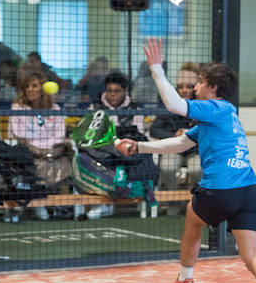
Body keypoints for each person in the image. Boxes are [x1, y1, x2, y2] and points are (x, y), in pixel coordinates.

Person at [115, 38, 256, 283]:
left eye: (199, 82)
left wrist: (156, 69)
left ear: (212, 88)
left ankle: (185, 279)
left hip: (221, 188)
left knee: (192, 218)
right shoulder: (223, 117)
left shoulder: (215, 108)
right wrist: (139, 146)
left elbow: (174, 104)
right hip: (249, 190)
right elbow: (179, 144)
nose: (194, 87)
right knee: (253, 255)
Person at [86, 70, 148, 219]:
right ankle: (104, 204)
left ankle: (116, 200)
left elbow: (139, 134)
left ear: (124, 91)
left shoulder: (135, 108)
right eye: (109, 91)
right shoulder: (95, 107)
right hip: (103, 151)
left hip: (127, 151)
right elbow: (91, 134)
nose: (113, 94)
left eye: (117, 91)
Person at [11, 71, 71, 221]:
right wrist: (37, 149)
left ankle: (57, 205)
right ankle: (38, 202)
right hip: (29, 150)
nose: (30, 89)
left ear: (43, 89)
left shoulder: (55, 109)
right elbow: (18, 133)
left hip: (52, 151)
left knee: (64, 161)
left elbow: (59, 134)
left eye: (34, 86)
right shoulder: (17, 108)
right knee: (33, 163)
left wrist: (48, 150)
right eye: (27, 86)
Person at [150, 63, 202, 193]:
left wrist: (192, 134)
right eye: (180, 87)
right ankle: (171, 200)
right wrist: (174, 135)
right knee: (167, 167)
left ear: (195, 88)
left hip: (195, 151)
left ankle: (197, 198)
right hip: (173, 149)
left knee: (197, 169)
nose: (184, 90)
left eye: (189, 87)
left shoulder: (201, 104)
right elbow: (154, 129)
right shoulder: (169, 103)